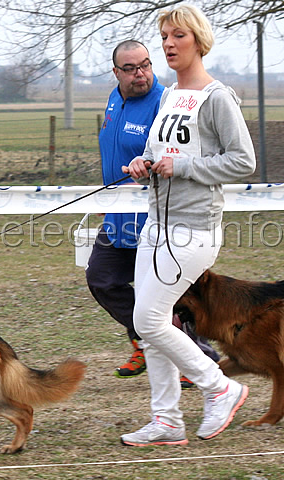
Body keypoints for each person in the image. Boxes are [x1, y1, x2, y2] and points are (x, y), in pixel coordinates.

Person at [120, 4, 256, 446]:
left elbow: (243, 161)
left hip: (193, 228)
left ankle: (220, 387)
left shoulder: (218, 96)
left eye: (176, 36)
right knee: (154, 323)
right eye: (163, 37)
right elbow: (166, 153)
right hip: (156, 224)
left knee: (149, 318)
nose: (167, 44)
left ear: (198, 40)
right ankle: (167, 420)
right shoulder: (169, 96)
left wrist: (184, 167)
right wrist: (145, 162)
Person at [87, 39, 218, 384]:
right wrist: (109, 203)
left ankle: (201, 362)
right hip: (118, 215)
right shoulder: (115, 100)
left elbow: (178, 155)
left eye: (145, 64)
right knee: (102, 278)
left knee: (174, 299)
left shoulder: (166, 102)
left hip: (156, 217)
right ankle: (143, 341)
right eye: (130, 68)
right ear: (116, 73)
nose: (140, 73)